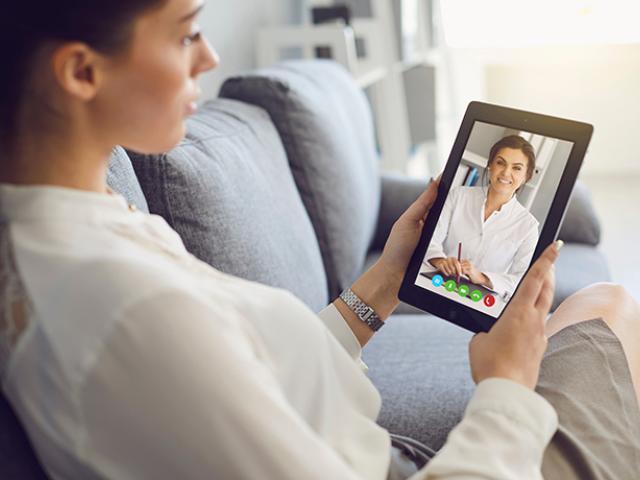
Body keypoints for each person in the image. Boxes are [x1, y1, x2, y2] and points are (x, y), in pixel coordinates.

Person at [0, 1, 639, 479]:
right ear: (82, 72)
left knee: (595, 310)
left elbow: (252, 372)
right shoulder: (127, 310)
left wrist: (383, 285)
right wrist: (504, 388)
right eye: (187, 30)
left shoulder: (84, 222)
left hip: (373, 447)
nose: (211, 57)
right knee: (610, 306)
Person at [425, 135, 539, 300]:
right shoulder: (458, 195)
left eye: (517, 168)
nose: (506, 173)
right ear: (490, 165)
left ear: (526, 176)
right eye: (500, 163)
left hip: (480, 299)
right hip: (438, 283)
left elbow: (521, 279)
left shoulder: (529, 227)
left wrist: (481, 277)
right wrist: (440, 260)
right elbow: (430, 239)